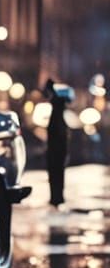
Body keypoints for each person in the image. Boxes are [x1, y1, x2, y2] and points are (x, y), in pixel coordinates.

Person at [43, 78, 72, 206]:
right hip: (57, 146)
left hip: (56, 148)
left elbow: (57, 131)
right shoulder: (58, 105)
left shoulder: (56, 107)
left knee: (56, 172)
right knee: (58, 173)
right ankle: (57, 196)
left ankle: (56, 197)